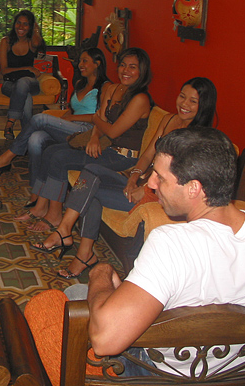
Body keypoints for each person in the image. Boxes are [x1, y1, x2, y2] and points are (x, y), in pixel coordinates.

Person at [76, 127, 245, 377]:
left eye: (160, 178)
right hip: (240, 371)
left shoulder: (170, 242)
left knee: (77, 294)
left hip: (165, 374)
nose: (151, 183)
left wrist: (101, 272)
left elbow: (104, 340)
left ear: (193, 188)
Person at [35, 77, 217, 278]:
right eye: (182, 97)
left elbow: (177, 178)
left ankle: (72, 243)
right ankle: (73, 240)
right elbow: (148, 154)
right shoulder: (168, 120)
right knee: (92, 172)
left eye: (193, 101)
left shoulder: (199, 138)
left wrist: (146, 189)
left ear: (204, 106)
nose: (184, 104)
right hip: (141, 182)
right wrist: (133, 178)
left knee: (90, 191)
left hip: (159, 196)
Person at [20, 47, 153, 232]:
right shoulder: (115, 89)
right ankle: (43, 207)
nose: (125, 71)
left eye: (132, 67)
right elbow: (101, 121)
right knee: (51, 151)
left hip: (122, 157)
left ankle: (55, 215)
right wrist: (94, 137)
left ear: (142, 71)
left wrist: (97, 121)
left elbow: (112, 130)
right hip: (105, 147)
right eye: (123, 65)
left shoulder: (140, 99)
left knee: (60, 158)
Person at [0, 47, 110, 191]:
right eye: (80, 61)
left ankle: (9, 155)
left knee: (39, 119)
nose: (80, 65)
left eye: (85, 61)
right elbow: (72, 108)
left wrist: (71, 117)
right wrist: (66, 117)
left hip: (88, 130)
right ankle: (37, 191)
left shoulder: (106, 87)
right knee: (35, 138)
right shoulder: (80, 84)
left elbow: (101, 117)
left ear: (97, 64)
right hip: (73, 126)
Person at [0, 10, 46, 140]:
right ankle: (27, 138)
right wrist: (28, 68)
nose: (21, 27)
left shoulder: (32, 43)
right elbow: (4, 70)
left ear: (31, 26)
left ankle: (10, 122)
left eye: (26, 24)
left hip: (31, 84)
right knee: (27, 99)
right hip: (10, 84)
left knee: (24, 82)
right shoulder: (6, 42)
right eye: (18, 23)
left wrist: (36, 27)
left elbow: (37, 43)